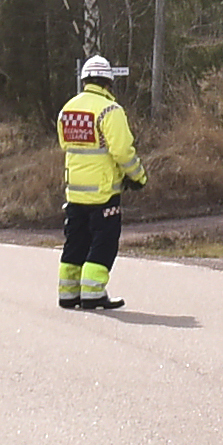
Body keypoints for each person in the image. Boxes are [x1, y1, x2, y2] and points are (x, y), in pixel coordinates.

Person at [56, 54, 144, 311]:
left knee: (75, 242)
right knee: (103, 242)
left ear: (84, 80)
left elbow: (66, 144)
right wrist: (138, 177)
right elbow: (123, 152)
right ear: (108, 83)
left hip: (75, 193)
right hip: (104, 193)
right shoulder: (110, 110)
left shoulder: (67, 109)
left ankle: (68, 293)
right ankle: (93, 294)